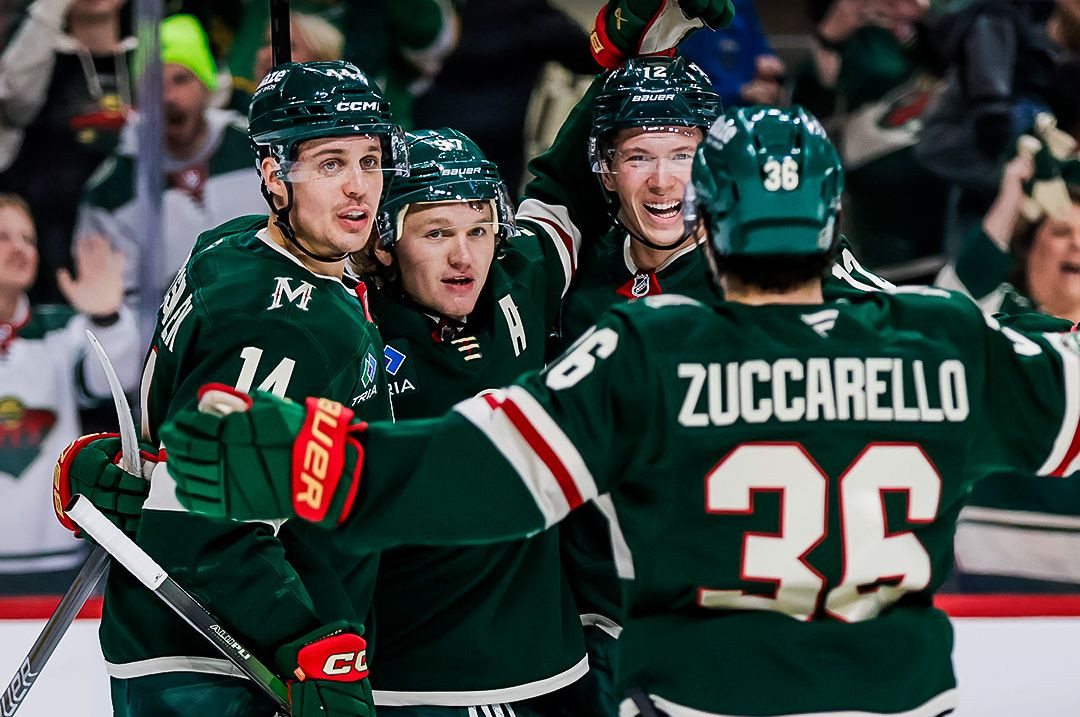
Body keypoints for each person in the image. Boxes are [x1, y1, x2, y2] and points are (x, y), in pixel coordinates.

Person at [161, 105, 1080, 717]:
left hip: (703, 700)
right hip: (904, 699)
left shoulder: (654, 349)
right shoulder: (944, 339)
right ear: (833, 215)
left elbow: (487, 474)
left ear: (710, 218)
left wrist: (323, 460)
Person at [52, 60, 405, 717]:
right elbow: (204, 522)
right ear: (273, 175)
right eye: (330, 164)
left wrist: (133, 470)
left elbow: (180, 449)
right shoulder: (287, 323)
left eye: (370, 160)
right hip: (229, 666)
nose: (359, 186)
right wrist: (308, 643)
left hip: (167, 644)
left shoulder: (229, 246)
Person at [357, 128, 589, 715]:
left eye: (479, 230)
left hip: (555, 669)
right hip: (415, 685)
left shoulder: (520, 284)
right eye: (436, 233)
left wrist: (631, 73)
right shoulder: (349, 335)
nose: (464, 256)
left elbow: (563, 186)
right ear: (383, 242)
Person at [936, 143, 1080, 592]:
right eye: (1061, 231)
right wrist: (1012, 191)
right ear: (1029, 248)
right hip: (987, 567)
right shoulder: (996, 319)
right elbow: (953, 301)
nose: (1077, 244)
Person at [74, 14, 265, 306]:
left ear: (206, 85)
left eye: (181, 80)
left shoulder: (257, 148)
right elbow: (117, 305)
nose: (168, 97)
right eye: (154, 85)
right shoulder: (110, 192)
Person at [0, 192, 139, 594]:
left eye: (28, 239)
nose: (21, 248)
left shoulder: (64, 330)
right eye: (4, 237)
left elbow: (117, 379)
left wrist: (107, 317)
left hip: (57, 560)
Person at [0, 0, 134, 304]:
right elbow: (13, 97)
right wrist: (49, 10)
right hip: (47, 266)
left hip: (136, 254)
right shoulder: (39, 58)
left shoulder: (152, 56)